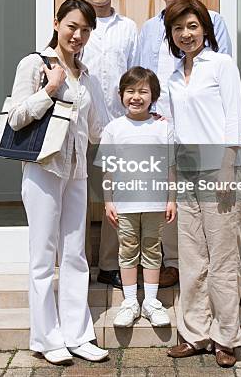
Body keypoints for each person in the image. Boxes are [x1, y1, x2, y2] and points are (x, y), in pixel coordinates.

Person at [8, 0, 109, 365]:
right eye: (72, 26)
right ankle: (46, 338)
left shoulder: (87, 75)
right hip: (43, 170)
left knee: (75, 255)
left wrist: (144, 117)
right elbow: (16, 118)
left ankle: (77, 334)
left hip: (77, 173)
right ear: (56, 23)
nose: (78, 35)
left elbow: (97, 130)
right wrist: (49, 90)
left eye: (85, 30)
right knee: (42, 257)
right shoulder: (34, 64)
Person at [139, 0, 232, 288]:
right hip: (161, 127)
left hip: (200, 131)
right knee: (168, 200)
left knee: (206, 208)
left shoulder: (214, 21)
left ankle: (208, 270)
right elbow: (141, 75)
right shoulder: (149, 29)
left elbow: (223, 79)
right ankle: (172, 264)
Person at [163, 0, 241, 368]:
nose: (186, 34)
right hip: (187, 173)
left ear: (205, 29)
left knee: (224, 258)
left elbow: (233, 116)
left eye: (192, 26)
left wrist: (229, 165)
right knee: (193, 258)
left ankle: (226, 337)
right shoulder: (171, 76)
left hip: (220, 171)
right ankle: (195, 334)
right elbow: (174, 129)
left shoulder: (222, 65)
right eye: (178, 28)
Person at [97, 67, 176, 327]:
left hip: (155, 203)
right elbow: (108, 170)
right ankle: (130, 301)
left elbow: (170, 167)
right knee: (128, 250)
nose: (136, 96)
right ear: (121, 95)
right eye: (130, 91)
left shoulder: (162, 128)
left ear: (153, 95)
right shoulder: (113, 129)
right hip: (124, 204)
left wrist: (171, 198)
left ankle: (151, 302)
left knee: (153, 250)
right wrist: (108, 201)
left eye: (143, 91)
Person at [79, 0, 139, 290]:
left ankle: (108, 265)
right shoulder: (76, 23)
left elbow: (135, 74)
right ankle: (78, 263)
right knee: (79, 198)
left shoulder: (129, 28)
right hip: (79, 127)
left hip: (117, 126)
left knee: (116, 198)